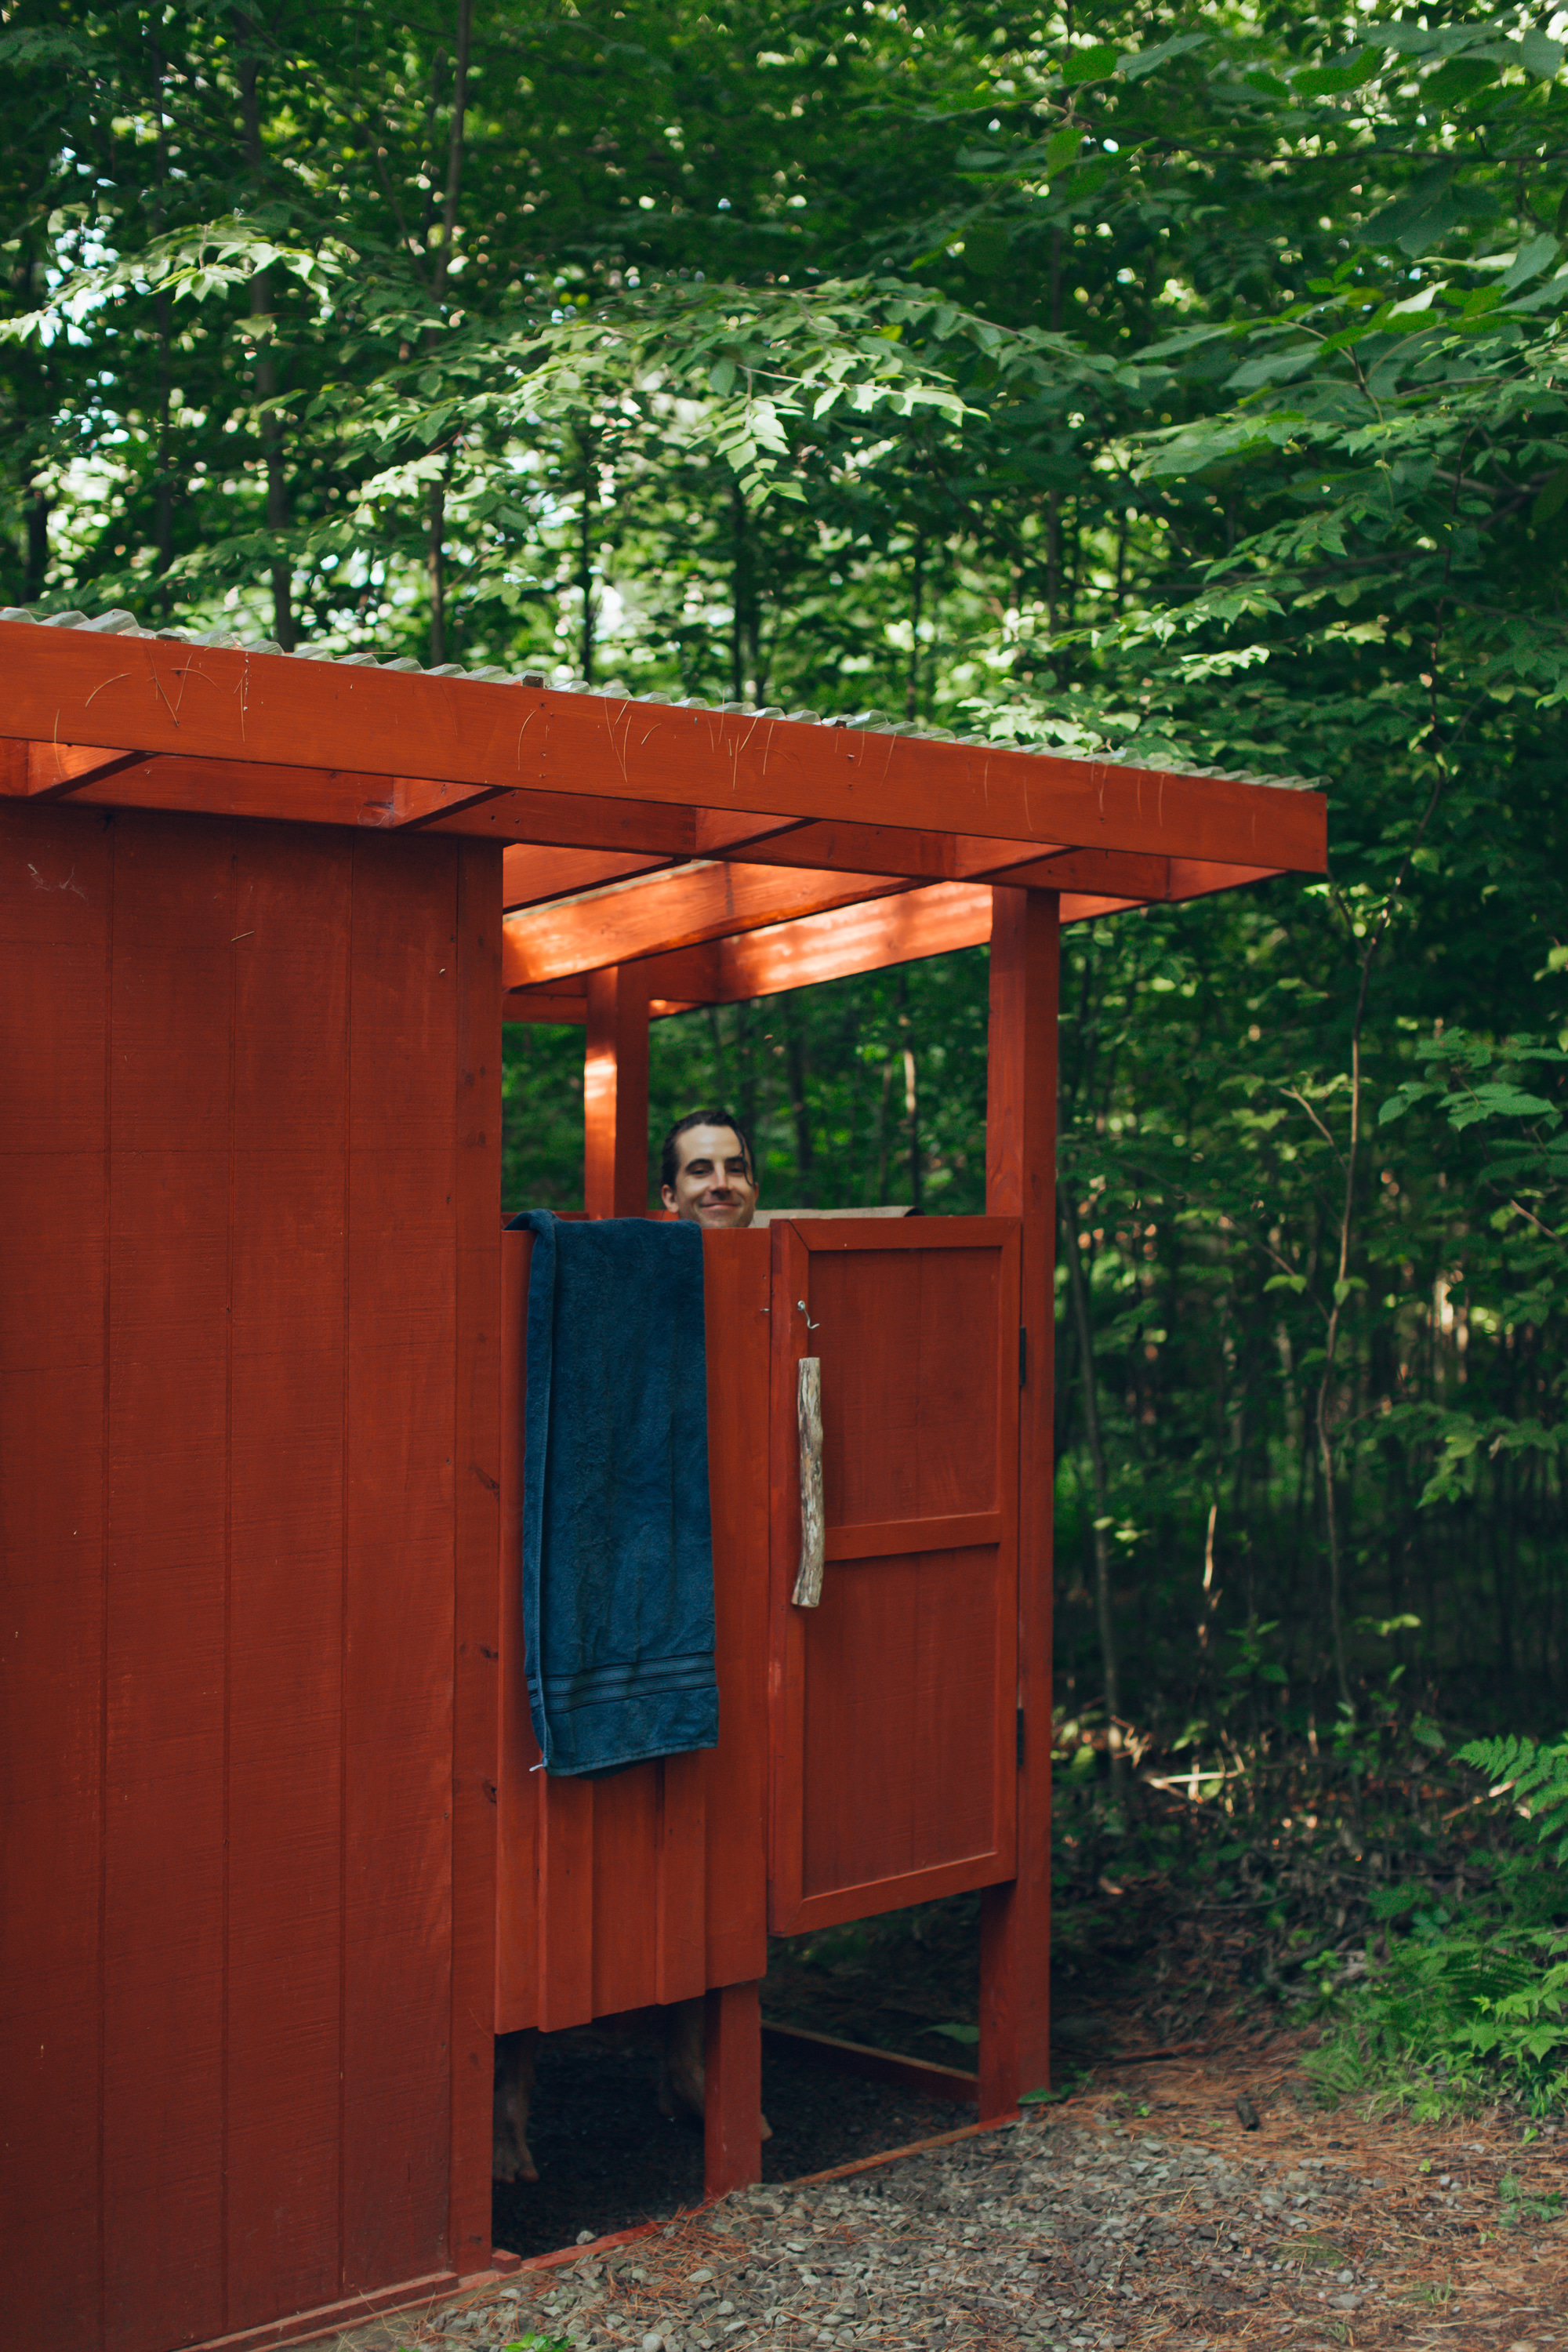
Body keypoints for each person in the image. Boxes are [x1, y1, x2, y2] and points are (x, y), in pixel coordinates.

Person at [659, 1107, 760, 1229]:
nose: (722, 1185)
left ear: (754, 1194)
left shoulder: (785, 1245)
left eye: (735, 1170)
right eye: (700, 1171)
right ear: (671, 1198)